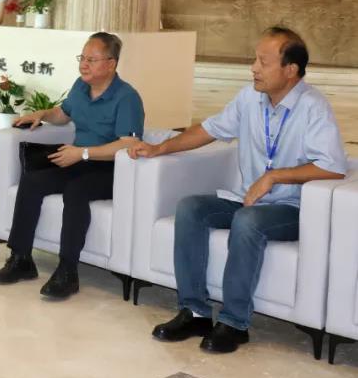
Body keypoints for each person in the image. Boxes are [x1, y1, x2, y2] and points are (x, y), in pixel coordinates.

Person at [130, 27, 346, 353]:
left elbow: (332, 167)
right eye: (255, 60)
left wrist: (275, 177)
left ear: (290, 70)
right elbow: (209, 129)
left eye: (263, 62)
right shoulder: (250, 98)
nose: (254, 68)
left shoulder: (313, 107)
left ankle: (234, 323)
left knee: (248, 222)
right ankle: (195, 311)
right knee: (191, 209)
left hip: (291, 208)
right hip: (246, 198)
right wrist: (161, 148)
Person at [0, 32, 144, 299]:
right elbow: (63, 114)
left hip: (111, 169)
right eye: (82, 58)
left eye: (91, 60)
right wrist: (43, 114)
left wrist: (83, 153)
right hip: (79, 160)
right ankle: (21, 258)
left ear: (111, 64)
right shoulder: (81, 86)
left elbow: (128, 144)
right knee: (32, 179)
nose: (84, 64)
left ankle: (67, 271)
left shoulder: (127, 97)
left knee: (76, 190)